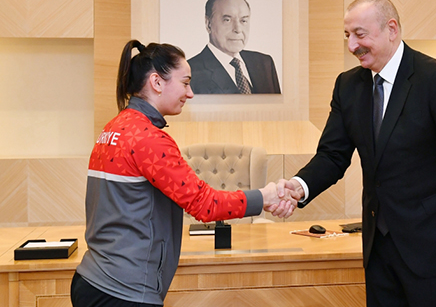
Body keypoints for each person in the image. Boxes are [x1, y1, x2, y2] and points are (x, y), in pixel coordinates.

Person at [274, 0, 436, 306]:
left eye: (360, 34)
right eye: (347, 35)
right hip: (378, 251)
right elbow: (333, 155)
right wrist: (299, 186)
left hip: (434, 254)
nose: (352, 45)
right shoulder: (348, 86)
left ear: (392, 29)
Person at [71, 40, 296, 307]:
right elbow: (205, 205)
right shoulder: (148, 139)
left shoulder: (114, 128)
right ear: (157, 82)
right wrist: (265, 196)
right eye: (185, 82)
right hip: (124, 292)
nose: (190, 93)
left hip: (92, 280)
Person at [188, 0, 281, 94]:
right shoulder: (190, 73)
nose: (238, 29)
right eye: (227, 20)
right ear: (208, 24)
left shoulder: (264, 63)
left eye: (243, 21)